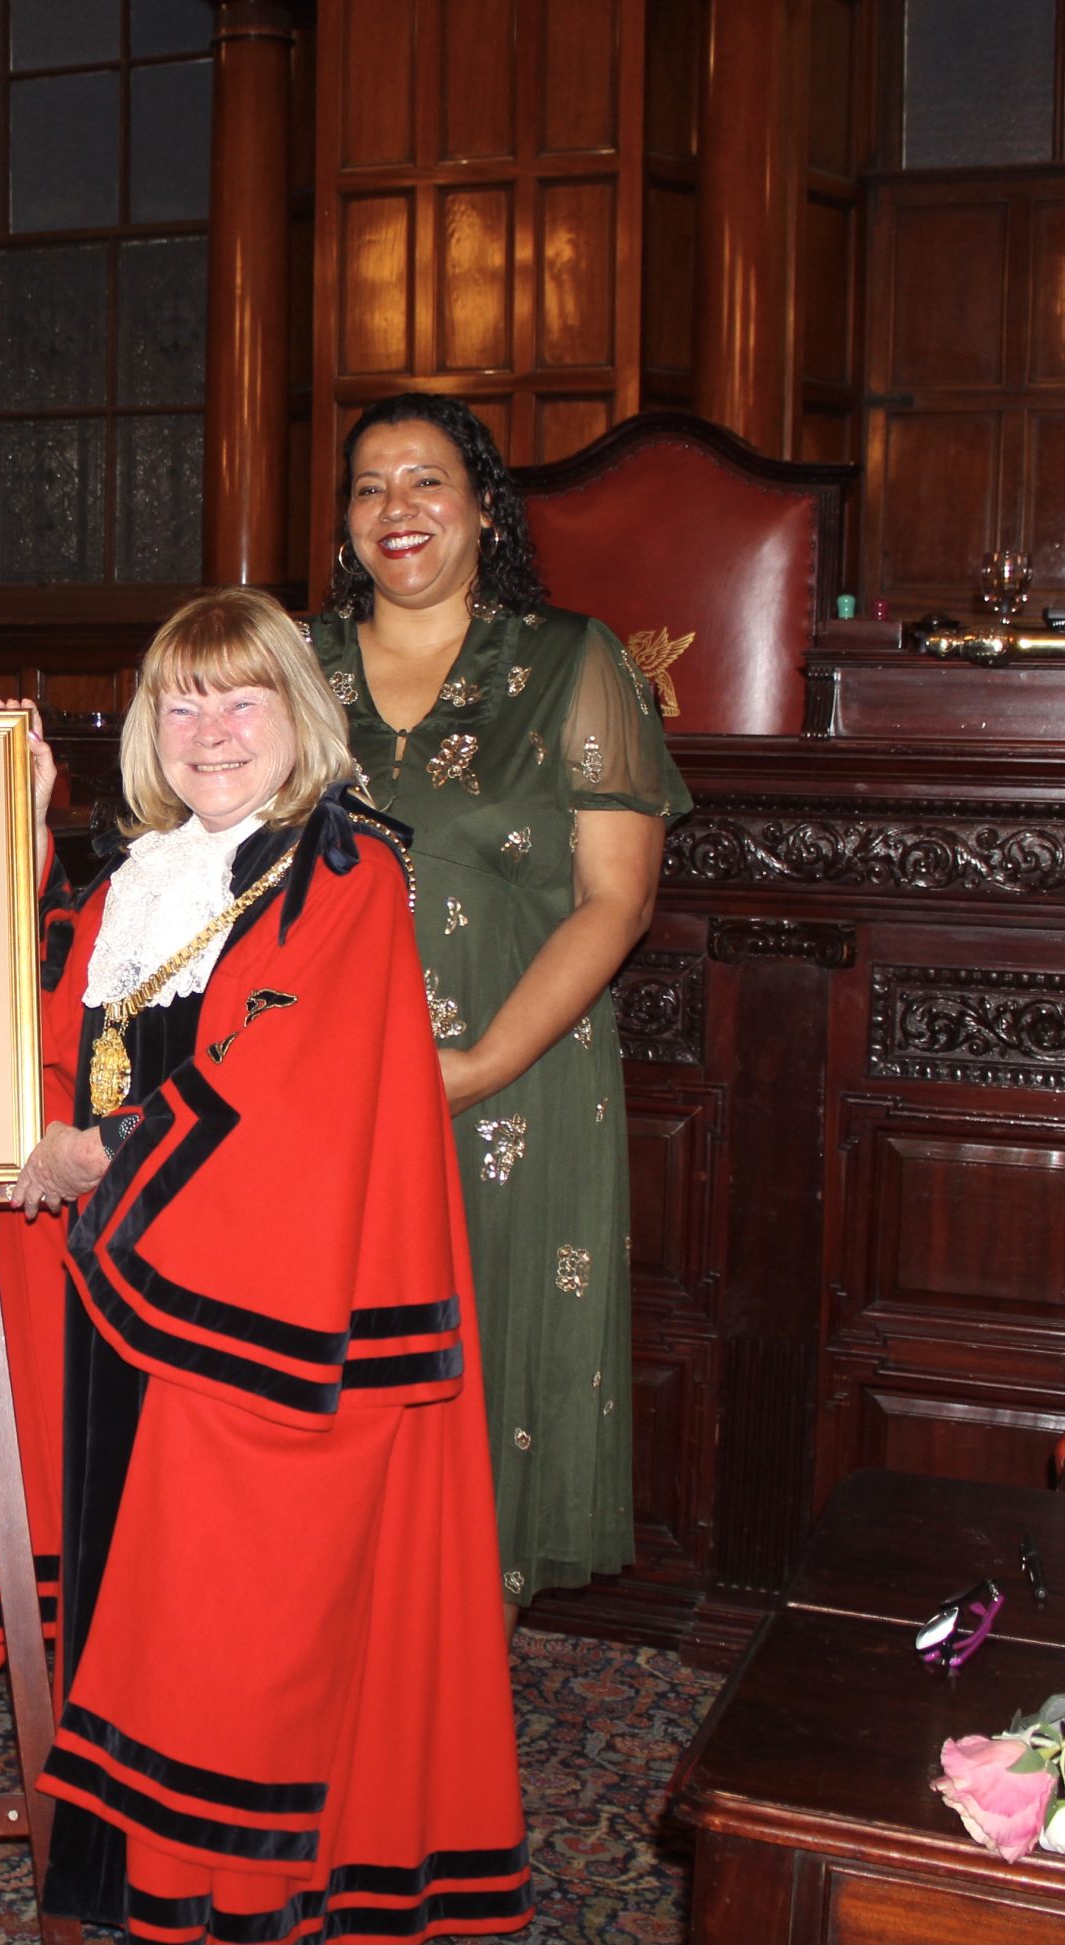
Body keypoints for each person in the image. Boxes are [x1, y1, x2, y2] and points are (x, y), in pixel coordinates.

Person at [0, 589, 531, 1943]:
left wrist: (108, 1154)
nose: (210, 729)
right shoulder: (137, 875)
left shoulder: (340, 870)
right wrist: (15, 815)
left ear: (298, 714)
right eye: (182, 700)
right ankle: (112, 1869)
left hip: (250, 1304)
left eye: (240, 696)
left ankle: (227, 1894)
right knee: (119, 1577)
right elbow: (15, 994)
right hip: (123, 1288)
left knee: (225, 1611)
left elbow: (292, 1085)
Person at [307, 391, 692, 1614]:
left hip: (511, 1081)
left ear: (481, 508)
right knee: (320, 1381)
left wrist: (472, 1067)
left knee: (483, 1378)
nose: (396, 510)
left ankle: (448, 1683)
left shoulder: (570, 660)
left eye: (426, 481)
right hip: (314, 1086)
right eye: (369, 488)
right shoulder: (292, 667)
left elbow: (614, 901)